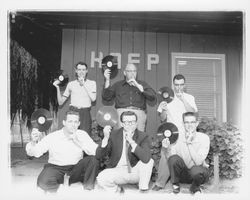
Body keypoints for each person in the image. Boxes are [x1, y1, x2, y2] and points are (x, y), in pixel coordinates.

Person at [25, 110, 106, 193]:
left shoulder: (82, 134)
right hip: (56, 168)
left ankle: (88, 189)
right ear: (64, 122)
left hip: (76, 169)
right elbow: (35, 153)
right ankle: (61, 189)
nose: (73, 125)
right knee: (43, 182)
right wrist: (33, 142)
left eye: (75, 122)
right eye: (70, 121)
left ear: (79, 123)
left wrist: (79, 142)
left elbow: (96, 153)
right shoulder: (53, 136)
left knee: (93, 160)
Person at [152, 74, 198, 191]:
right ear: (173, 85)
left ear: (185, 85)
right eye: (176, 85)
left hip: (186, 133)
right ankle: (160, 183)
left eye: (181, 85)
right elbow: (162, 118)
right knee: (165, 155)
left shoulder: (190, 97)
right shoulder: (167, 98)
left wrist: (183, 99)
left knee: (190, 158)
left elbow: (193, 113)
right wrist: (163, 109)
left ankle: (192, 181)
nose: (179, 87)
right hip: (171, 133)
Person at [96, 111, 154, 193]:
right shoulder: (114, 135)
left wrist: (131, 141)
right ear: (122, 124)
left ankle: (143, 189)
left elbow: (146, 159)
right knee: (101, 178)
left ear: (136, 123)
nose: (130, 124)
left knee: (150, 161)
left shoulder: (143, 136)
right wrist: (105, 138)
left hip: (135, 171)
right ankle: (117, 190)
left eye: (133, 122)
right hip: (118, 170)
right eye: (127, 122)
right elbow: (99, 156)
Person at [157, 112, 210, 194]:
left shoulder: (204, 138)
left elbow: (198, 162)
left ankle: (195, 187)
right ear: (183, 124)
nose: (189, 125)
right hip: (183, 174)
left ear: (197, 123)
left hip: (198, 174)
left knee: (197, 170)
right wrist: (166, 148)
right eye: (186, 122)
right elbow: (171, 159)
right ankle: (176, 186)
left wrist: (189, 144)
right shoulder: (177, 138)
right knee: (173, 158)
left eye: (192, 122)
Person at [102, 63, 156, 132]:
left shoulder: (142, 84)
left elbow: (153, 97)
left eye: (134, 71)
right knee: (120, 138)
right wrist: (107, 80)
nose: (132, 73)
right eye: (130, 71)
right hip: (121, 114)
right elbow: (106, 97)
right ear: (125, 73)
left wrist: (141, 89)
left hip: (138, 114)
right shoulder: (118, 85)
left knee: (138, 139)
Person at [53, 62, 96, 135]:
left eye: (83, 69)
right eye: (79, 69)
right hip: (73, 112)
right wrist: (57, 88)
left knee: (84, 137)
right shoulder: (71, 84)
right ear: (76, 71)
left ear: (87, 71)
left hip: (85, 113)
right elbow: (60, 102)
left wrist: (84, 84)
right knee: (70, 136)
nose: (81, 72)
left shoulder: (92, 83)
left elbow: (93, 99)